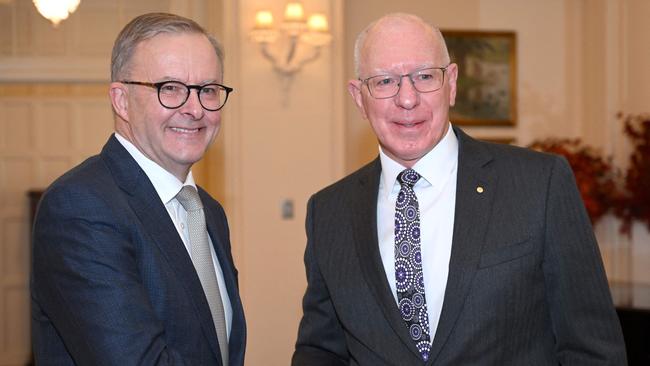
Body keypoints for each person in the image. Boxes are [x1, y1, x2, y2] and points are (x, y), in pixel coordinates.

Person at [292, 13, 626, 365]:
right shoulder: (328, 212)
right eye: (385, 81)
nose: (407, 99)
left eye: (424, 76)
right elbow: (321, 350)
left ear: (451, 83)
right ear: (359, 97)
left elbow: (593, 350)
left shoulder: (539, 185)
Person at [31, 13, 245, 365]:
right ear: (121, 100)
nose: (194, 109)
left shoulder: (208, 212)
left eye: (207, 90)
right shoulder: (81, 207)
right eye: (170, 88)